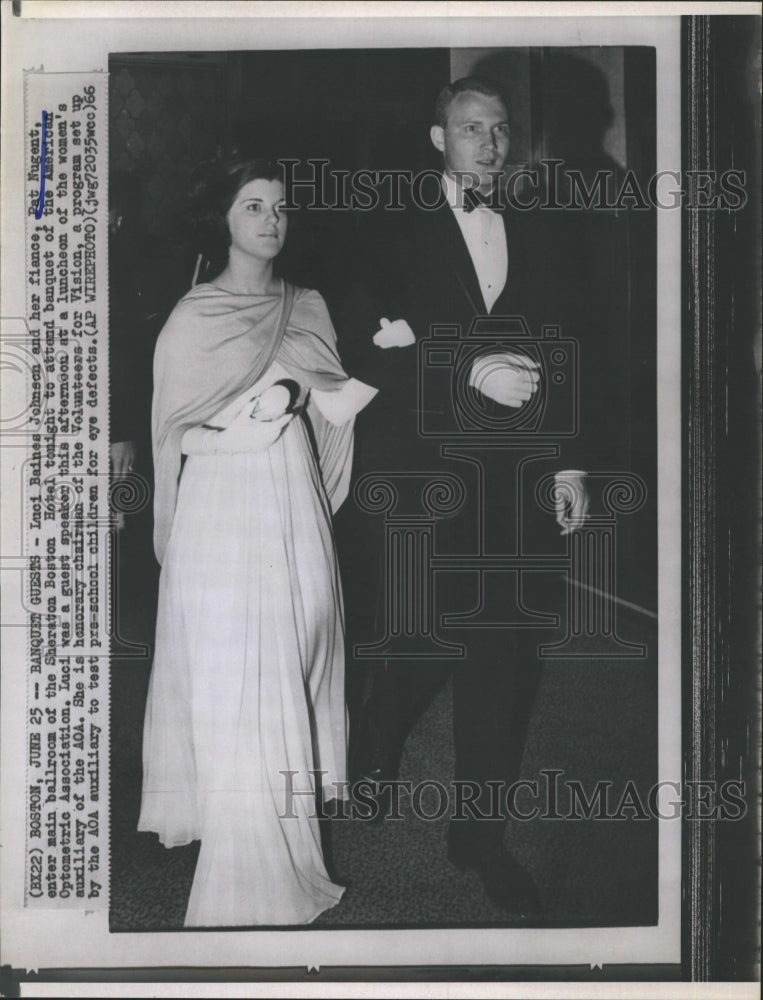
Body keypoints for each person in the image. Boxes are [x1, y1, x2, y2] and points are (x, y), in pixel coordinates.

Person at [339, 76, 598, 918]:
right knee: (420, 644)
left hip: (515, 484)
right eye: (468, 127)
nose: (487, 142)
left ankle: (477, 833)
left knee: (501, 654)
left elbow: (566, 347)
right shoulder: (387, 225)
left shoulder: (542, 226)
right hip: (420, 478)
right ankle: (375, 743)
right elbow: (361, 345)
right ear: (435, 138)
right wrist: (463, 364)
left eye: (498, 128)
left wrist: (568, 465)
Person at [137, 154, 375, 927]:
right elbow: (173, 429)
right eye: (252, 206)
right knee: (234, 667)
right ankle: (245, 863)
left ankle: (286, 839)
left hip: (290, 499)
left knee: (291, 657)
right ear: (225, 221)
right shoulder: (192, 315)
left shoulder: (307, 303)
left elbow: (338, 402)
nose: (271, 219)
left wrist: (303, 388)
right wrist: (249, 414)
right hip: (219, 506)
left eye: (279, 206)